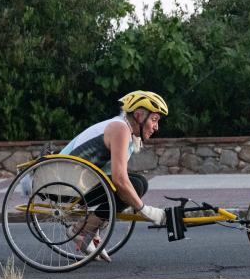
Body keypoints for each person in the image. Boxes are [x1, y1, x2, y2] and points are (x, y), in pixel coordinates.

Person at [58, 90, 169, 262]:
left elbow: (112, 176)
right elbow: (119, 180)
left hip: (72, 180)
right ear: (139, 115)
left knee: (137, 182)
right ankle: (82, 231)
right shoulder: (120, 129)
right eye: (154, 119)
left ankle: (88, 230)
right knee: (134, 185)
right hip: (66, 184)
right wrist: (146, 211)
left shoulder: (122, 128)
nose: (156, 127)